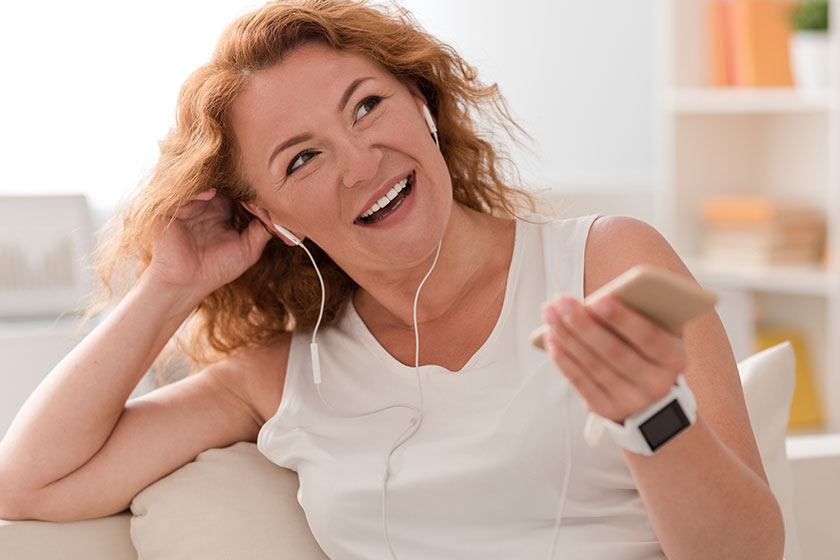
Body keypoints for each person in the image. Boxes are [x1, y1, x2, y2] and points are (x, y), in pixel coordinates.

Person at [0, 1, 783, 558]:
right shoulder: (281, 374)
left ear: (422, 100)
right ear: (269, 215)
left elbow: (750, 552)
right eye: (300, 159)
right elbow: (29, 485)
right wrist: (168, 287)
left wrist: (652, 414)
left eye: (367, 106)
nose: (360, 163)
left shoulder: (607, 261)